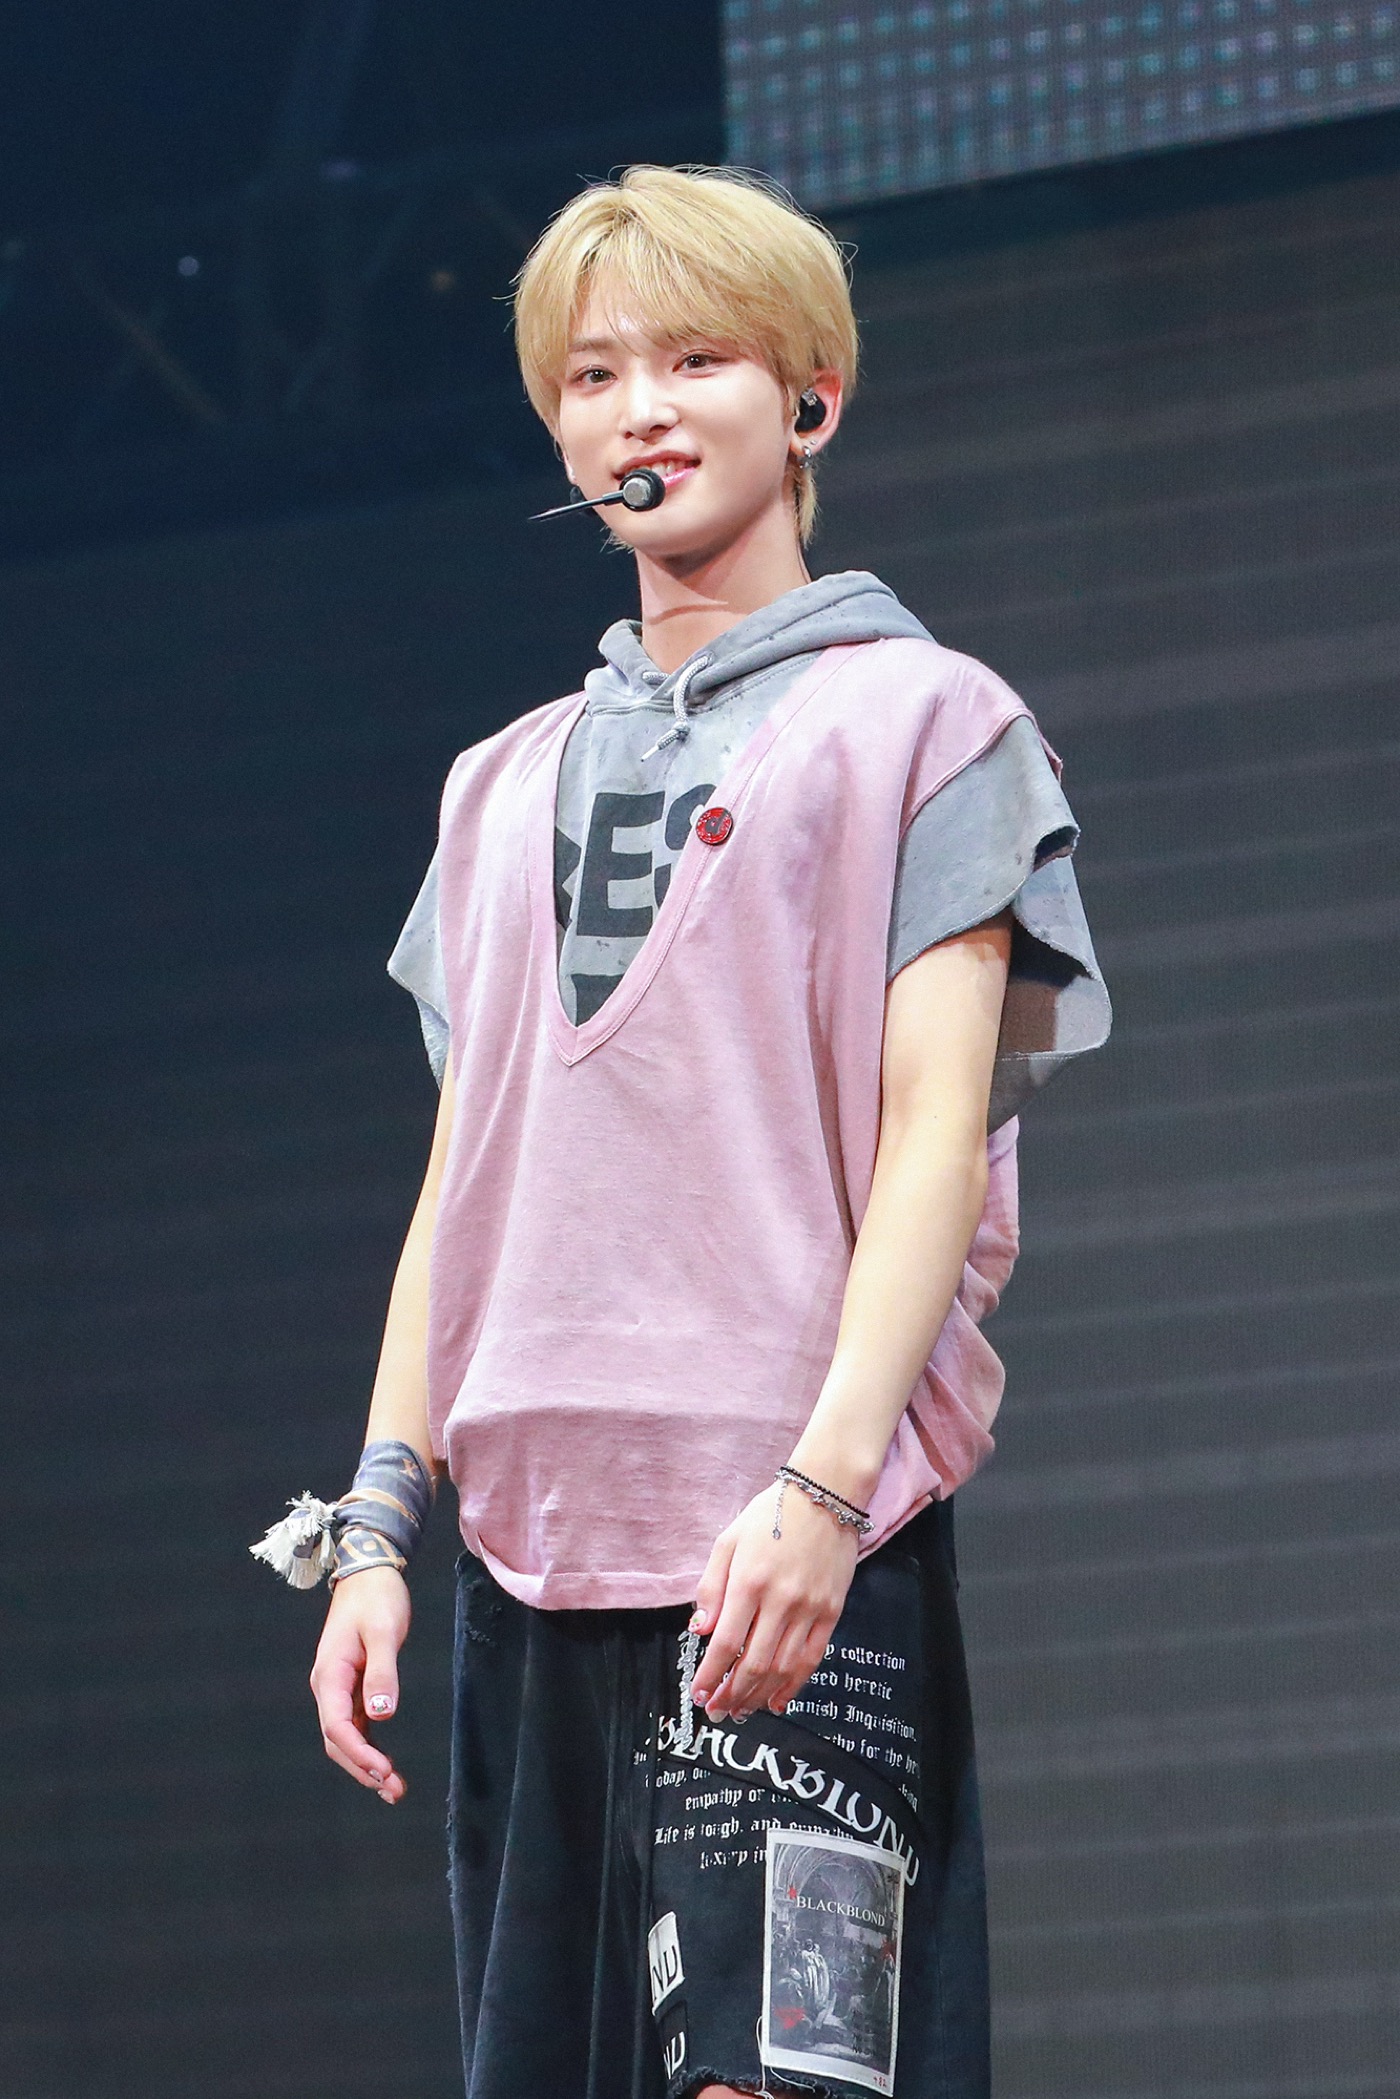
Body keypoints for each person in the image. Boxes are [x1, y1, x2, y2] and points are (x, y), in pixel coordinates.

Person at [258, 163, 1111, 2099]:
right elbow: (466, 1185)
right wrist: (381, 1521)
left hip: (790, 1539)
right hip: (535, 1560)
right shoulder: (498, 788)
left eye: (694, 361)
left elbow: (932, 1137)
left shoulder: (927, 725)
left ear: (809, 398)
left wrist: (824, 1494)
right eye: (593, 376)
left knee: (775, 2080)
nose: (638, 410)